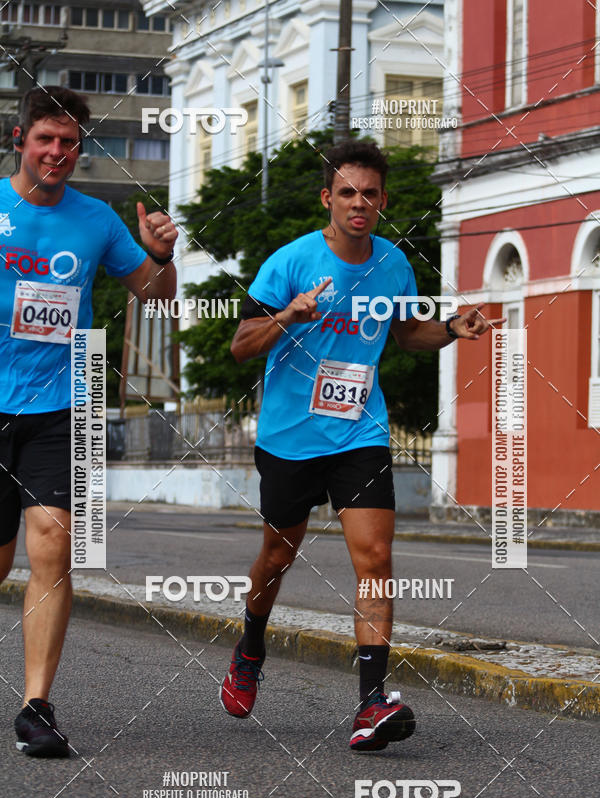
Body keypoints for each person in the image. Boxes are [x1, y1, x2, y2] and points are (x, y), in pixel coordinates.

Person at [220, 139, 501, 751]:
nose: (358, 203)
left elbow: (406, 334)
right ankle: (250, 647)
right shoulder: (289, 263)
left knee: (375, 559)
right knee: (276, 556)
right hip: (291, 438)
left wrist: (452, 329)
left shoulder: (395, 265)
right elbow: (241, 346)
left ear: (382, 201)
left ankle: (372, 703)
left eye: (369, 194)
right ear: (328, 198)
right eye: (347, 192)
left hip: (360, 432)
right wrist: (287, 317)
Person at [0, 86, 178, 757]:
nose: (57, 152)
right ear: (20, 140)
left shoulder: (99, 221)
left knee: (53, 542)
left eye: (70, 142)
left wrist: (160, 255)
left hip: (58, 407)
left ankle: (36, 707)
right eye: (46, 139)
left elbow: (157, 299)